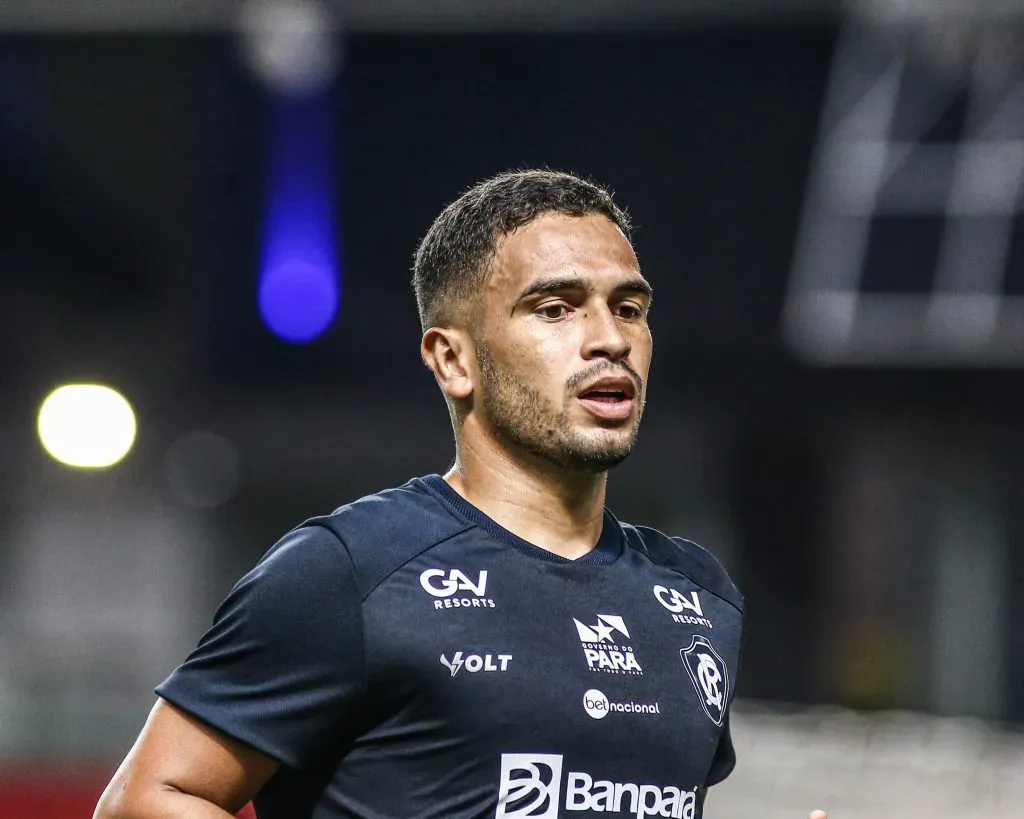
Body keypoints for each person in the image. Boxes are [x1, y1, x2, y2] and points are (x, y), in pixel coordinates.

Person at [94, 170, 826, 819]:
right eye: (556, 308)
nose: (611, 338)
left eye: (629, 307)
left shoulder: (699, 595)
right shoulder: (350, 571)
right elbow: (144, 801)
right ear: (454, 359)